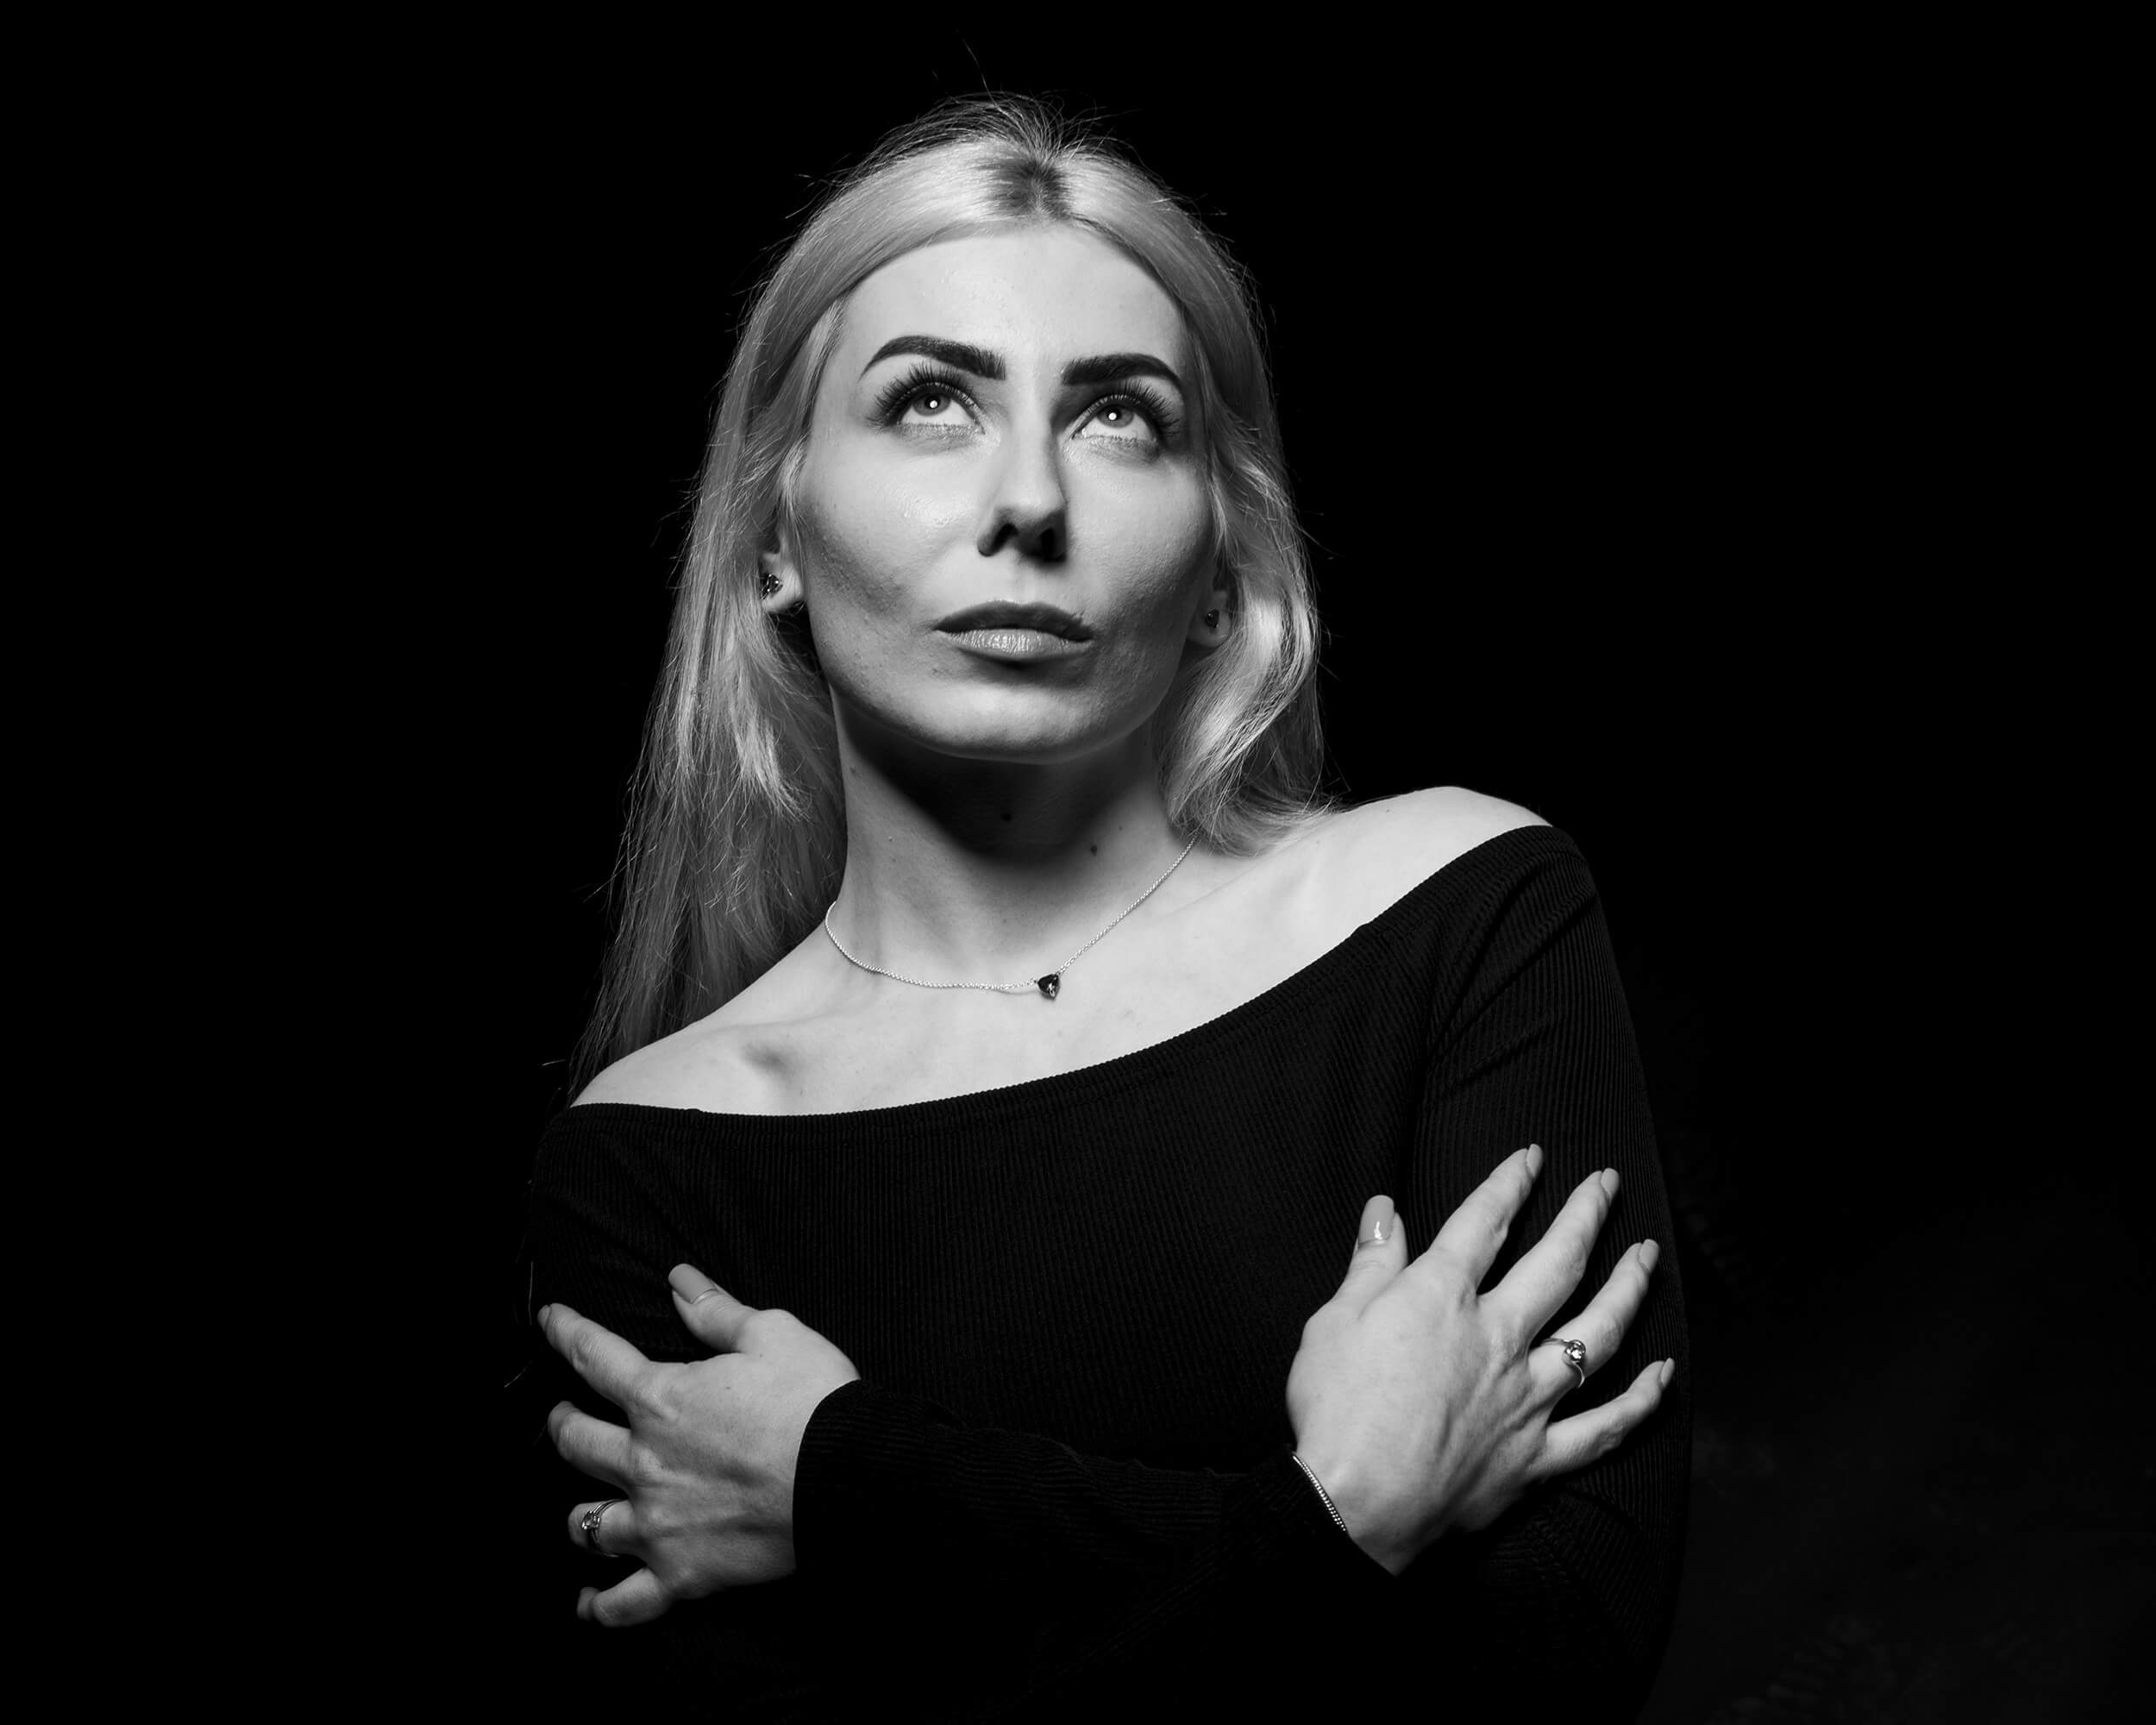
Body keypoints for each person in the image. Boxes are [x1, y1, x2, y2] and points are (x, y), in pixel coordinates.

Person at [515, 95, 1689, 1719]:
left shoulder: (1463, 914)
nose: (1030, 502)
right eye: (931, 401)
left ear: (1224, 565)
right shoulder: (645, 1160)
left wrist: (850, 1487)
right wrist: (1347, 1513)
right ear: (774, 537)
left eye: (1121, 416)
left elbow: (1553, 1668)